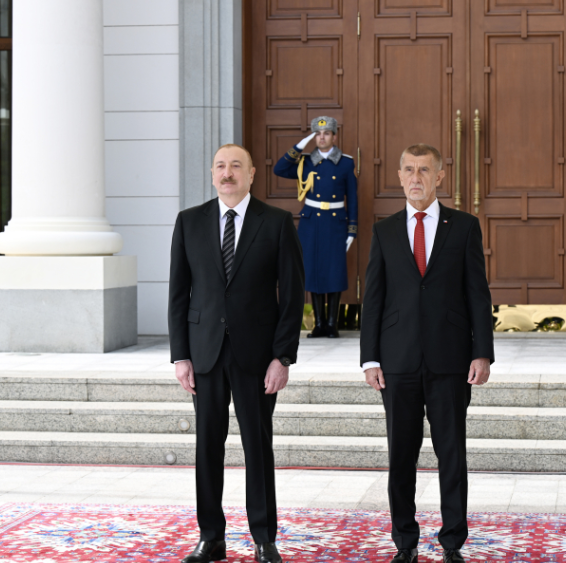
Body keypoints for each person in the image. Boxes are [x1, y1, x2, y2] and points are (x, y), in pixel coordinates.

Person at [168, 144, 305, 563]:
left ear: (251, 175)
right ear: (212, 174)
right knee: (207, 446)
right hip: (205, 354)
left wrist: (282, 357)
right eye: (221, 167)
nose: (227, 174)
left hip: (257, 357)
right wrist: (180, 356)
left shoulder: (277, 223)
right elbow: (178, 293)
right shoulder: (190, 222)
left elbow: (293, 295)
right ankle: (211, 537)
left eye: (236, 167)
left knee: (257, 447)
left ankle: (264, 538)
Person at [360, 144, 495, 563]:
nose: (416, 177)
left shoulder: (465, 227)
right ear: (399, 176)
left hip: (451, 361)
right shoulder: (384, 231)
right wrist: (370, 358)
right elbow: (374, 298)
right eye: (409, 170)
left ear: (439, 177)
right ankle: (405, 541)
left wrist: (482, 352)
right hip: (397, 362)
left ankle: (452, 541)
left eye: (424, 170)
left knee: (451, 454)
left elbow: (477, 293)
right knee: (401, 455)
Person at [273, 116, 357, 338]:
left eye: (326, 133)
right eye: (317, 134)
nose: (322, 137)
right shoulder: (305, 161)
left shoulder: (346, 163)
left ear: (334, 136)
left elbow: (353, 198)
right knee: (313, 271)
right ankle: (318, 324)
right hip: (311, 223)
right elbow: (279, 169)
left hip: (335, 222)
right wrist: (301, 145)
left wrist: (352, 228)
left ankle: (332, 324)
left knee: (334, 271)